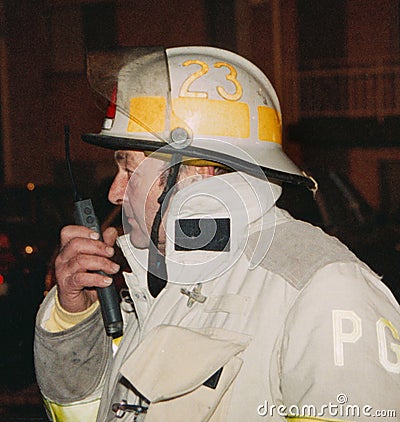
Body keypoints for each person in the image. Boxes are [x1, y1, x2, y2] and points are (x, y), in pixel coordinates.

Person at [34, 46, 400, 421]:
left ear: (200, 173)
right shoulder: (164, 283)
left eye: (130, 169)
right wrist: (72, 319)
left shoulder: (325, 287)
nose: (114, 192)